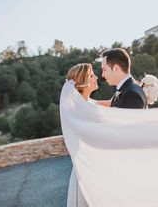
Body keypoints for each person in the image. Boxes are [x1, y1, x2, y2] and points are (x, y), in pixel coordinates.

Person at [65, 63, 98, 207]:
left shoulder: (88, 103)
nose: (96, 77)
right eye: (91, 75)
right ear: (83, 82)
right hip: (87, 166)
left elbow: (113, 103)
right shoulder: (79, 109)